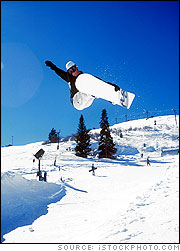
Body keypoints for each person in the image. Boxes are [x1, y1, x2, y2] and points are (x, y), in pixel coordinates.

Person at [45, 60, 120, 110]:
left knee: (93, 85)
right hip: (77, 101)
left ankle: (112, 98)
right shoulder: (69, 78)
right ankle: (95, 94)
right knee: (91, 87)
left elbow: (98, 82)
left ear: (76, 67)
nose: (73, 72)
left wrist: (110, 86)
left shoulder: (85, 77)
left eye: (73, 69)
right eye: (70, 71)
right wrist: (53, 66)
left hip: (87, 101)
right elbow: (59, 72)